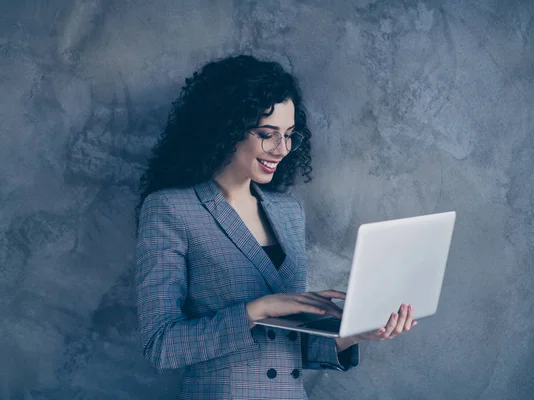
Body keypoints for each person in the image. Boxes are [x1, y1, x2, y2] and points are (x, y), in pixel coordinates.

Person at [134, 54, 417, 400]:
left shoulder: (288, 211)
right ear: (227, 128)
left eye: (290, 135)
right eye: (268, 134)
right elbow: (161, 346)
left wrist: (355, 333)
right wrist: (258, 309)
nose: (282, 149)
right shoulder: (170, 210)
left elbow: (286, 347)